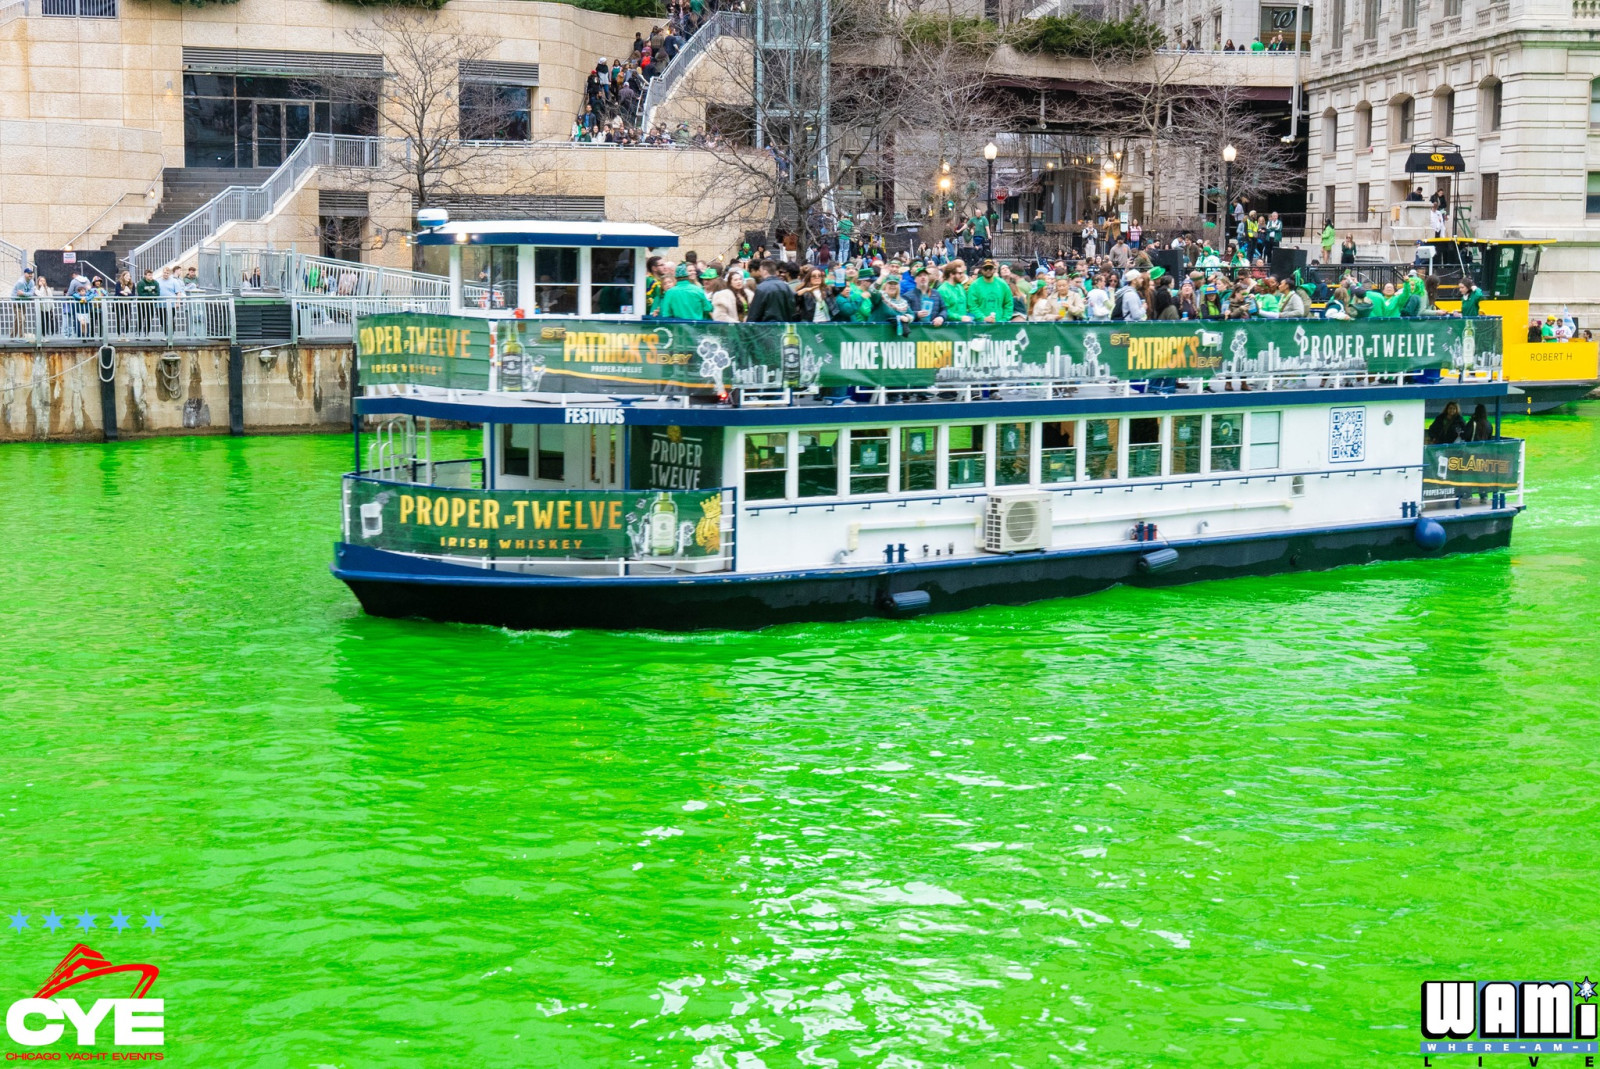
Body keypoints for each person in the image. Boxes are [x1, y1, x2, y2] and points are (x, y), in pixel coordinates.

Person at [965, 259, 1010, 324]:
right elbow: (972, 306)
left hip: (1000, 325)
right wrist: (983, 318)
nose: (988, 270)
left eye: (990, 268)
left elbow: (1008, 304)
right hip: (980, 325)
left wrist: (1004, 320)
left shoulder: (1003, 284)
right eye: (985, 268)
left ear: (994, 269)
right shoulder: (974, 286)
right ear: (981, 270)